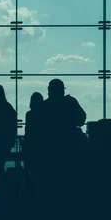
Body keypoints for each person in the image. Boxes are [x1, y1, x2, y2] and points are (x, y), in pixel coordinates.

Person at [39, 79, 87, 211]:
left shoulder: (44, 106)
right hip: (70, 148)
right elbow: (82, 119)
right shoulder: (71, 103)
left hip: (50, 150)